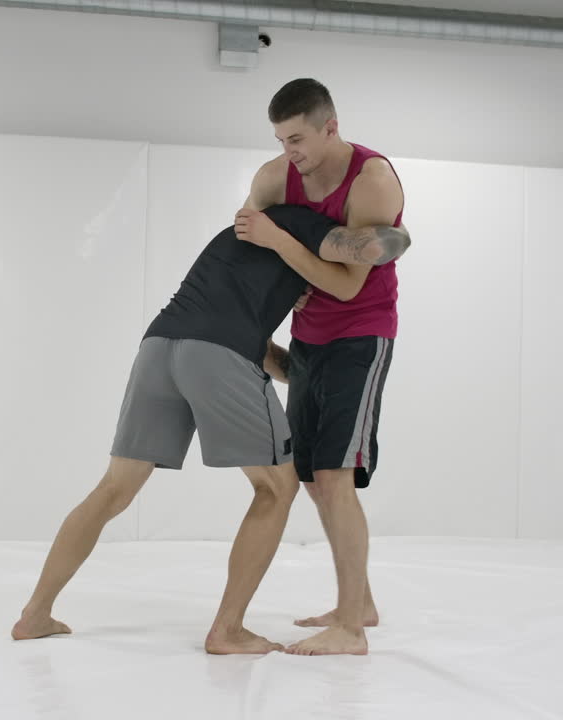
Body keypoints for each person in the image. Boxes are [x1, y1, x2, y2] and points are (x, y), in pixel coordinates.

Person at [11, 204, 409, 654]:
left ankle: (35, 614)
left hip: (159, 347)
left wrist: (313, 377)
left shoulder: (237, 240)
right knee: (277, 488)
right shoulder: (306, 226)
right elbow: (381, 246)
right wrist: (390, 230)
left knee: (113, 490)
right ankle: (229, 629)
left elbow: (253, 345)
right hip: (217, 354)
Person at [235, 78, 408, 656]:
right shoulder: (272, 178)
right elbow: (246, 255)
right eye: (282, 140)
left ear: (330, 126)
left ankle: (352, 632)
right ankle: (358, 602)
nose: (291, 153)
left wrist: (281, 242)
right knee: (311, 477)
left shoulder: (373, 180)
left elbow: (345, 280)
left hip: (361, 335)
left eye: (299, 139)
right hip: (305, 335)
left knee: (335, 476)